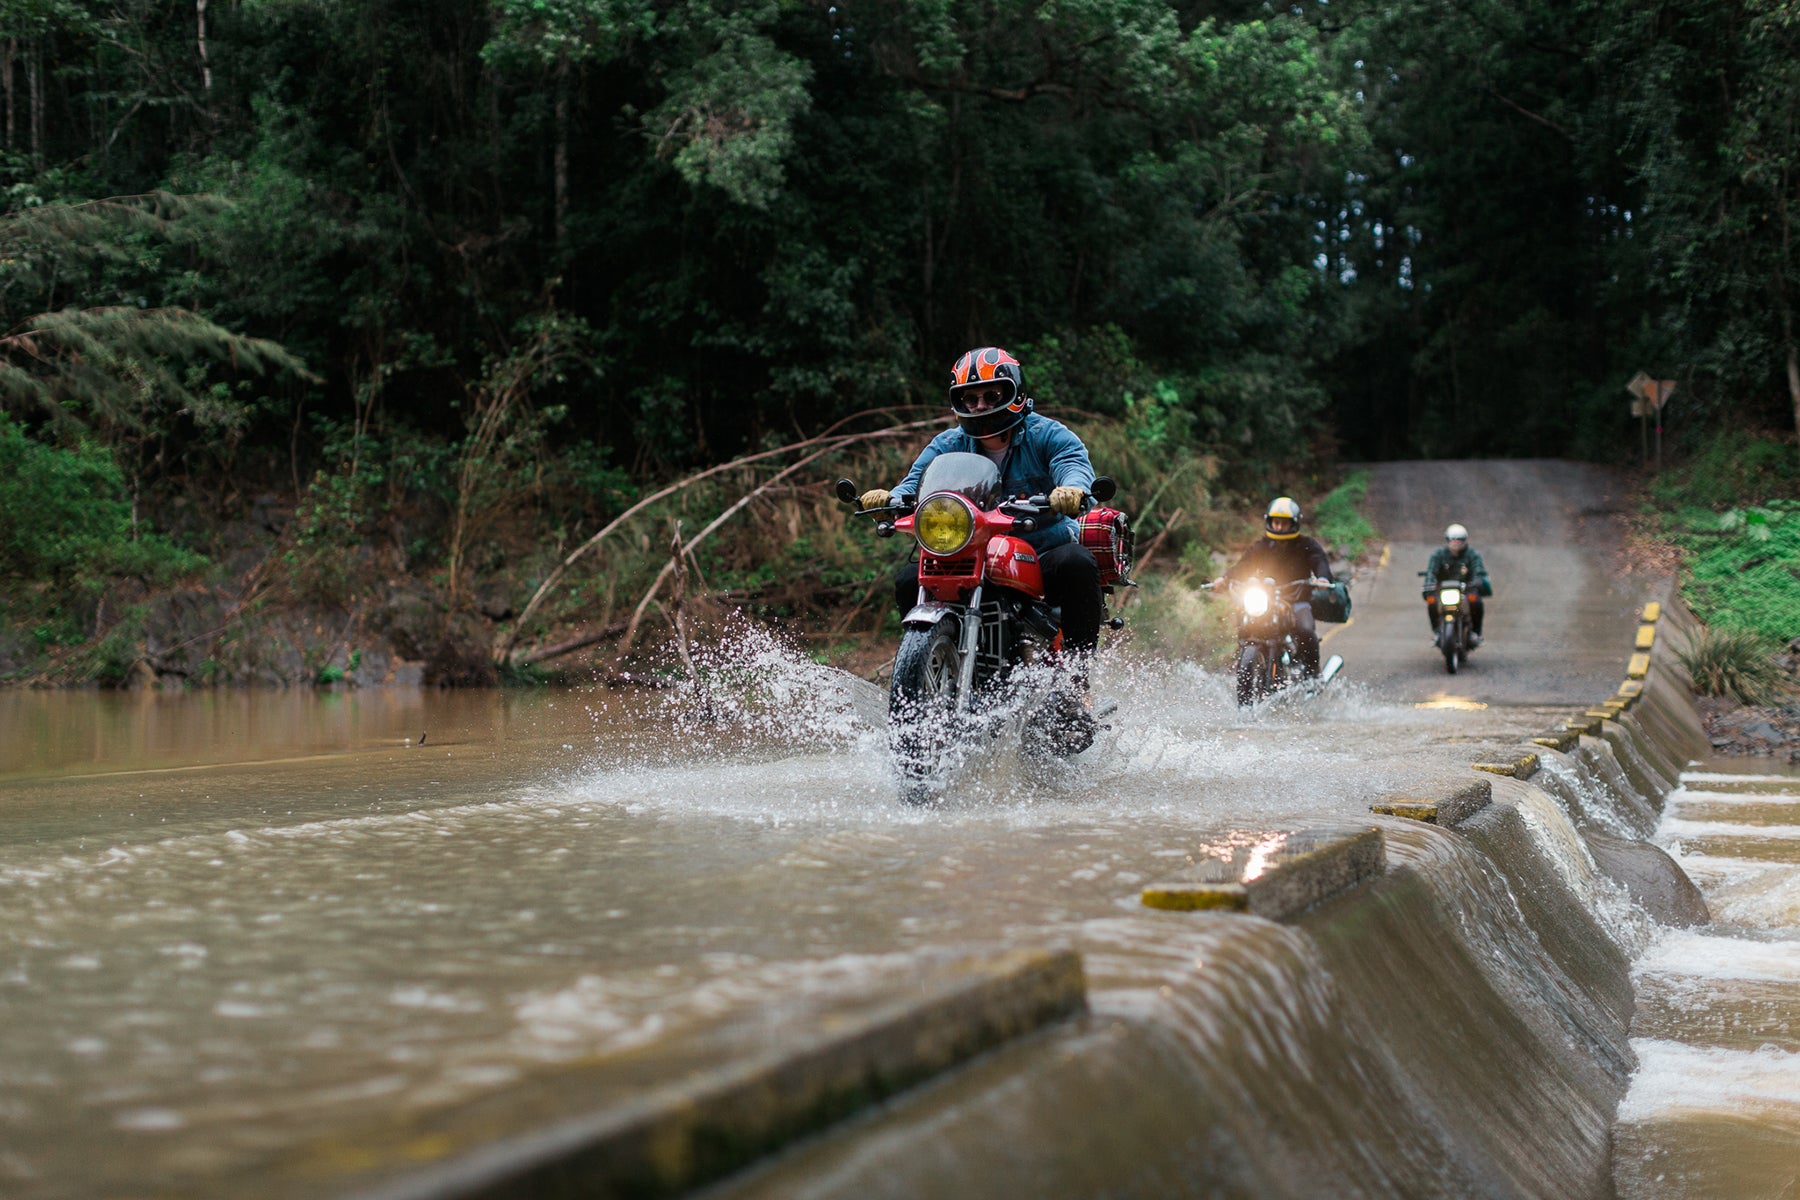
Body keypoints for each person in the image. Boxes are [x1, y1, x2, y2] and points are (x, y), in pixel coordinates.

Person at [859, 346, 1103, 718]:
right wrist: (892, 498)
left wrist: (1072, 489)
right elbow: (915, 482)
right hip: (972, 554)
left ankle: (1075, 680)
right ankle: (928, 669)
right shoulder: (948, 444)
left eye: (992, 395)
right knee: (910, 579)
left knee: (1077, 563)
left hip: (1040, 549)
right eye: (969, 398)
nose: (980, 405)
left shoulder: (1047, 434)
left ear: (1015, 394)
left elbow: (1072, 463)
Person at [1216, 497, 1334, 676]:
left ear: (1294, 524)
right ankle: (1245, 658)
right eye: (1276, 522)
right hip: (1267, 598)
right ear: (1269, 522)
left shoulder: (1306, 545)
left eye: (1284, 523)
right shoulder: (1262, 546)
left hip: (1297, 599)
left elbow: (1320, 562)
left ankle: (1312, 674)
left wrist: (1323, 579)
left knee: (1306, 629)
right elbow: (1244, 565)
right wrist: (1225, 579)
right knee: (1245, 619)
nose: (1279, 527)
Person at [1422, 523, 1491, 643]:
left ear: (1465, 540)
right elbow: (1431, 572)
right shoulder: (1438, 555)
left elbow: (1478, 571)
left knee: (1476, 602)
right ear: (1447, 540)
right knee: (1432, 602)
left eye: (1460, 539)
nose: (1456, 542)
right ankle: (1437, 632)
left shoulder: (1472, 555)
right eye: (1453, 539)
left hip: (1466, 589)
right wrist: (1429, 585)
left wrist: (1477, 581)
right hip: (1443, 590)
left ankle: (1475, 633)